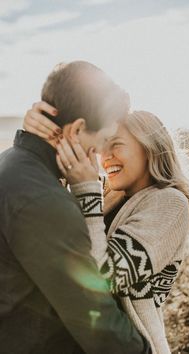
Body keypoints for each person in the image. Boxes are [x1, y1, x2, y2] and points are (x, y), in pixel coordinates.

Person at [24, 106, 189, 353]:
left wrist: (87, 190)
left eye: (116, 145)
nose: (105, 155)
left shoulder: (169, 203)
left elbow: (104, 278)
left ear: (149, 148)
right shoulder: (110, 197)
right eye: (102, 145)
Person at [0, 61, 150, 354]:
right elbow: (97, 321)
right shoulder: (43, 202)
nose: (101, 156)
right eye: (103, 140)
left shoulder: (12, 164)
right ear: (78, 128)